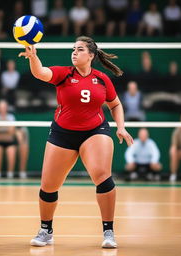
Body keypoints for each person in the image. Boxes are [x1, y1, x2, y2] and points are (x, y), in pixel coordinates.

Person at [18, 36, 133, 248]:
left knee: (102, 175)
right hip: (63, 133)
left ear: (90, 55)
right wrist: (33, 57)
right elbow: (40, 73)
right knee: (48, 185)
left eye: (79, 50)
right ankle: (46, 230)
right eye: (73, 49)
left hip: (94, 131)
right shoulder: (64, 73)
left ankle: (108, 231)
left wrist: (121, 127)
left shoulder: (102, 79)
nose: (74, 52)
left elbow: (115, 105)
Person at [0, 100, 17, 179]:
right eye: (0, 107)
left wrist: (0, 133)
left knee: (11, 151)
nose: (2, 109)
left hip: (10, 142)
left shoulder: (11, 117)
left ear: (6, 108)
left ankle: (10, 174)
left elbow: (11, 134)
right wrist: (6, 133)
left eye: (4, 107)